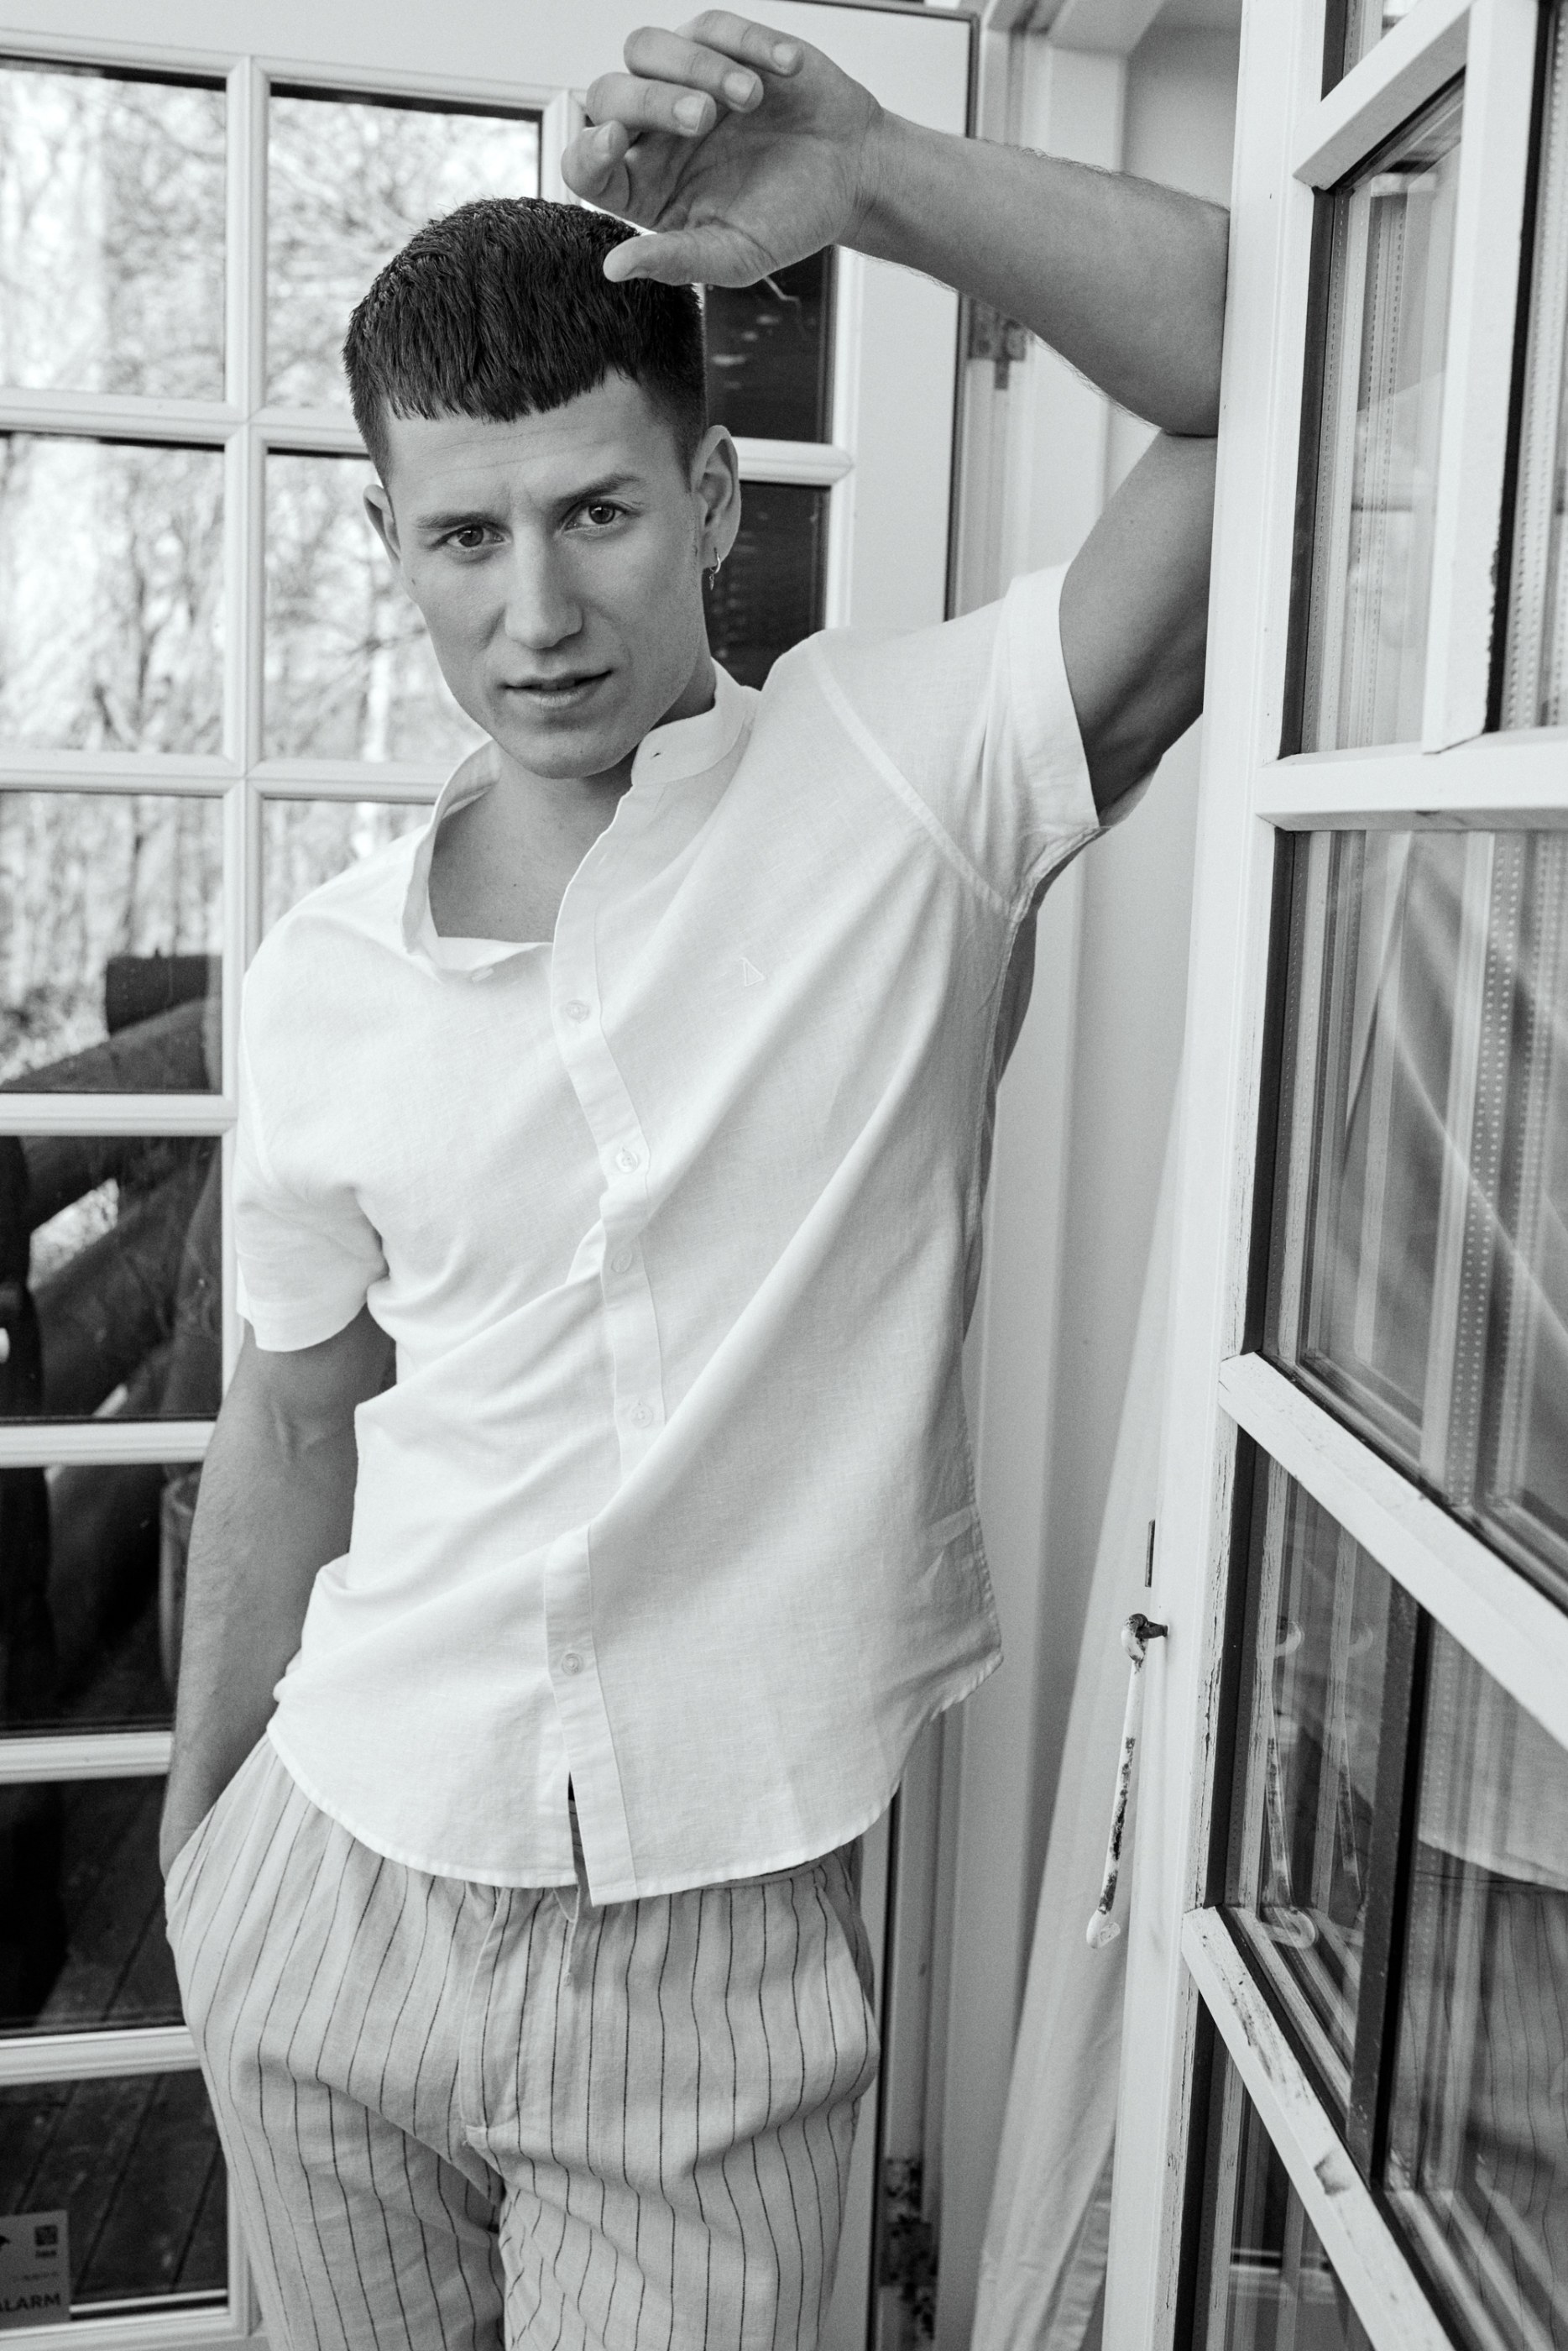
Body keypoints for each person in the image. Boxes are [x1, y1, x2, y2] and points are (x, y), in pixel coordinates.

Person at [159, 13, 1227, 2348]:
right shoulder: (322, 979)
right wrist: (201, 1842)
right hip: (332, 1892)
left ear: (714, 497)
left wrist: (866, 171)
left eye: (595, 511)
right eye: (464, 536)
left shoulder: (908, 778)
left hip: (712, 1963)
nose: (533, 611)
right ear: (392, 555)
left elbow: (1282, 373)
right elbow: (296, 1426)